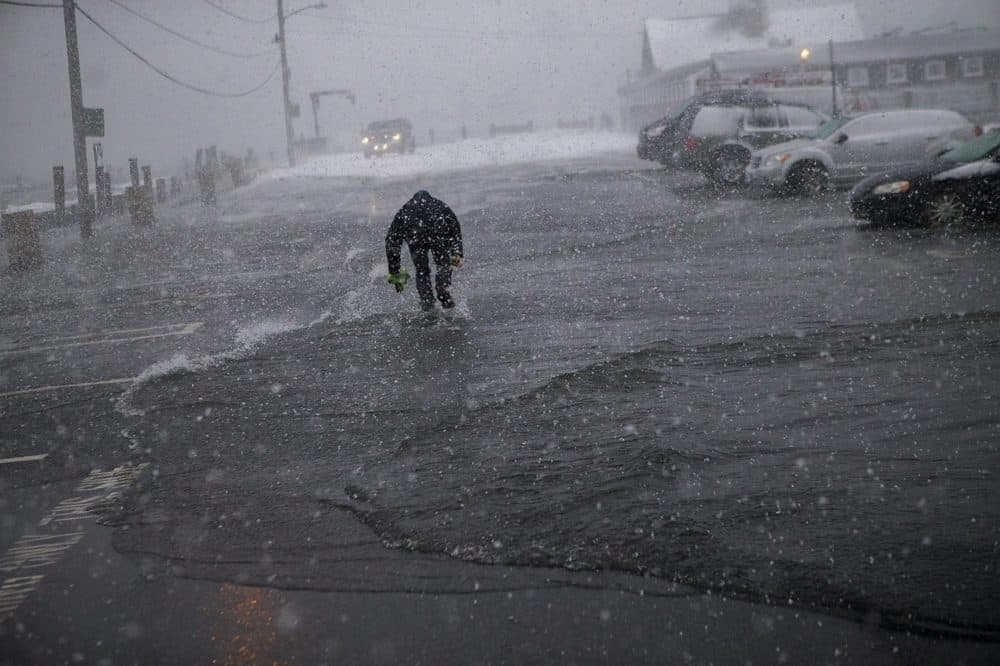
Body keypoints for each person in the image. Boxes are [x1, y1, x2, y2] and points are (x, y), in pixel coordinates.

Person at [385, 190, 463, 310]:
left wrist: (394, 270)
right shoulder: (440, 206)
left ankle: (427, 301)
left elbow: (392, 241)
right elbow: (454, 229)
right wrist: (456, 251)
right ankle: (442, 289)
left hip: (415, 236)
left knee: (421, 270)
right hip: (437, 233)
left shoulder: (405, 210)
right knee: (443, 263)